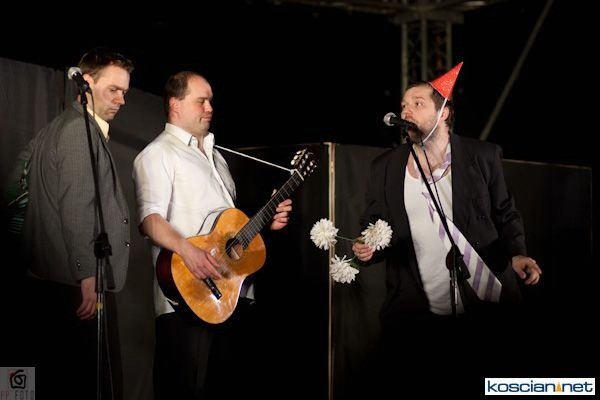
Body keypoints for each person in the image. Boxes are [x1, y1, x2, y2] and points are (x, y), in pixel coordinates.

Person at [351, 63, 542, 396]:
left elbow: (505, 211)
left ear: (444, 113)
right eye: (403, 105)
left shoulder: (482, 156)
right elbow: (373, 223)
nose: (405, 110)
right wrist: (366, 248)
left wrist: (517, 253)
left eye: (417, 103)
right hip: (416, 313)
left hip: (483, 299)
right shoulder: (385, 167)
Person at [132, 71, 292, 400]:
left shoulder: (217, 158)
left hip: (231, 296)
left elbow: (226, 234)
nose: (210, 108)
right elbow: (150, 220)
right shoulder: (158, 154)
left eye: (211, 101)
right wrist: (188, 251)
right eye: (201, 101)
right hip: (186, 298)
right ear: (175, 105)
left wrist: (268, 224)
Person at [17, 48, 134, 400]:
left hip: (60, 279)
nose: (121, 100)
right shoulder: (77, 131)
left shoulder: (65, 129)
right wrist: (87, 275)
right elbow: (77, 204)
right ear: (86, 83)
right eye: (113, 89)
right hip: (72, 283)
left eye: (125, 91)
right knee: (79, 381)